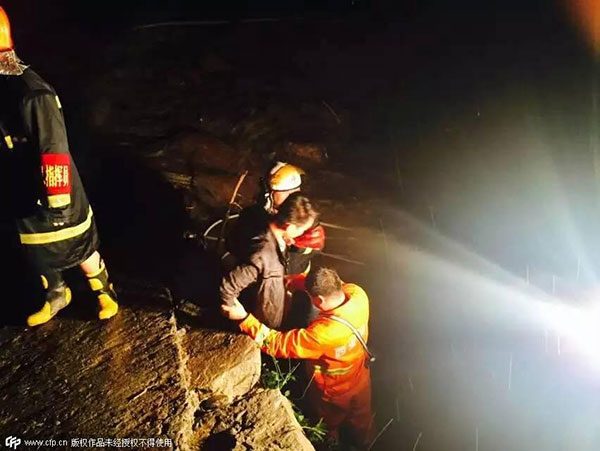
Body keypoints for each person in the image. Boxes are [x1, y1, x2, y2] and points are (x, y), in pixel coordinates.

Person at [0, 7, 118, 326]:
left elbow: (53, 148)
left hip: (55, 187)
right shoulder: (5, 90)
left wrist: (58, 200)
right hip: (19, 182)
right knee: (36, 248)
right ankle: (55, 293)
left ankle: (103, 290)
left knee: (76, 243)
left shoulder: (33, 94)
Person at [222, 267, 374, 449]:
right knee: (363, 418)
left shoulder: (322, 334)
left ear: (319, 300)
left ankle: (329, 442)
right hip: (360, 377)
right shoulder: (358, 295)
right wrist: (293, 281)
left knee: (328, 423)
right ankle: (368, 444)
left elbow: (277, 343)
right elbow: (333, 284)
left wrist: (244, 319)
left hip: (332, 391)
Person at [220, 193, 318, 329]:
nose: (302, 233)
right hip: (261, 323)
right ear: (289, 226)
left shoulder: (270, 228)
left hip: (271, 307)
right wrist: (239, 315)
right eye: (302, 230)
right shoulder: (263, 254)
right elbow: (228, 286)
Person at [228, 161, 325, 274]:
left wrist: (302, 246)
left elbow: (309, 257)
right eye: (287, 192)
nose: (293, 196)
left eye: (296, 191)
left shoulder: (307, 219)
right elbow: (232, 245)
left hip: (293, 280)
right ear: (270, 193)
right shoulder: (253, 217)